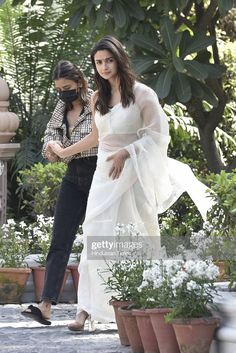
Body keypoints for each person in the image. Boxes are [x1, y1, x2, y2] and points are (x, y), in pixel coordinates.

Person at [50, 36, 213, 331]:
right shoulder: (97, 98)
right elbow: (96, 138)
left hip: (133, 173)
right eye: (98, 62)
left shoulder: (143, 94)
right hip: (104, 173)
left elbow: (158, 135)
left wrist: (128, 152)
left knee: (134, 235)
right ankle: (85, 309)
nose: (104, 67)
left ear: (119, 59)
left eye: (108, 60)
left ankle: (141, 302)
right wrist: (64, 152)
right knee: (94, 235)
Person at [21, 60, 97, 325]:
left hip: (98, 172)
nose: (63, 93)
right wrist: (52, 147)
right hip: (73, 174)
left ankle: (91, 308)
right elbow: (49, 137)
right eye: (58, 89)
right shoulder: (61, 107)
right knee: (59, 240)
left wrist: (64, 149)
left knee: (96, 239)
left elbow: (98, 138)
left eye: (67, 88)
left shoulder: (96, 102)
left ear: (79, 83)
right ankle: (45, 306)